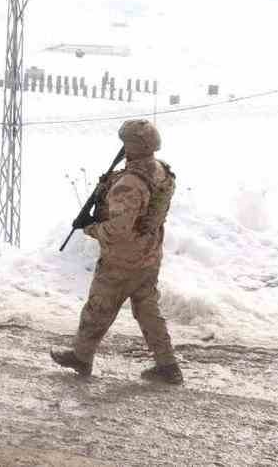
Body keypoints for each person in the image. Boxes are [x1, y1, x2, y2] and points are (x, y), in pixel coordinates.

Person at [51, 118, 182, 384]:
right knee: (147, 310)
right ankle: (168, 365)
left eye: (125, 143)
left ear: (134, 146)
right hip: (149, 255)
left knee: (98, 308)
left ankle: (81, 356)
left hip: (123, 260)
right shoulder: (159, 171)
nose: (122, 148)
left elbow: (118, 230)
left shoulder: (130, 183)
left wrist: (91, 228)